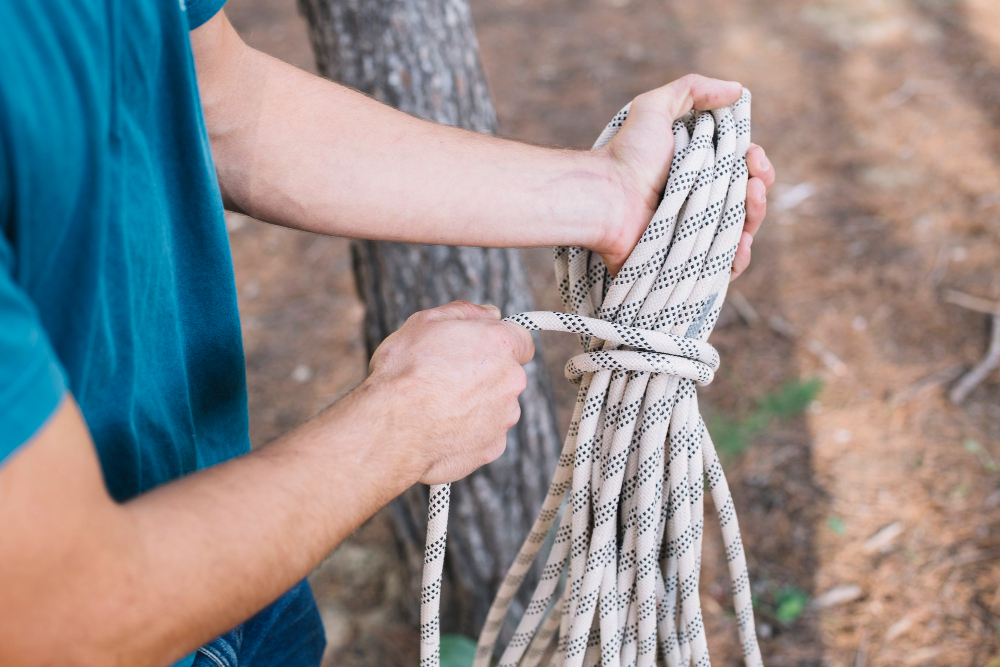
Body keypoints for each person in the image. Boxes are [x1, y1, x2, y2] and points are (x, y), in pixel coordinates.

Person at [0, 0, 775, 664]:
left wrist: (603, 195)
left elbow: (221, 103)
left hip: (233, 578)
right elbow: (62, 615)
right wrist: (399, 425)